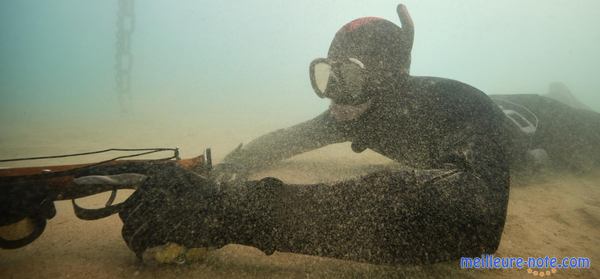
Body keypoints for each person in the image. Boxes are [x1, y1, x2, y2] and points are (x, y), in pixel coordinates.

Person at [116, 4, 511, 265]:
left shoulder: (462, 106)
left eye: (349, 77)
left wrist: (227, 212)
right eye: (328, 75)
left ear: (388, 80)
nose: (334, 93)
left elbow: (472, 224)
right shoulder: (356, 110)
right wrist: (231, 167)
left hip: (527, 130)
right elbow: (287, 139)